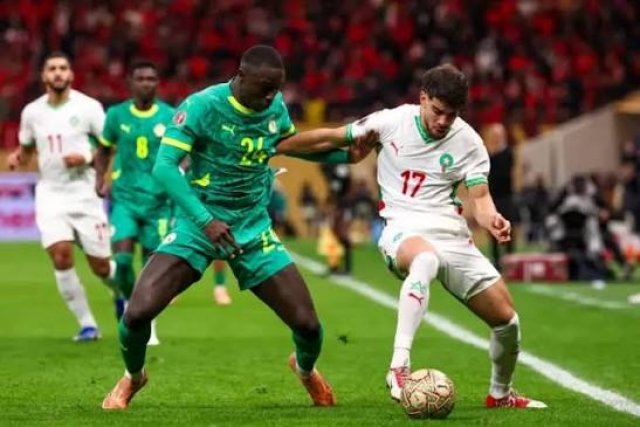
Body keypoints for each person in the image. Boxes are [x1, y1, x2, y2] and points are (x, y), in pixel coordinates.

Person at [101, 45, 377, 410]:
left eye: (276, 89)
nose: (272, 97)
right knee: (136, 314)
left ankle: (305, 369)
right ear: (241, 76)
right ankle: (133, 376)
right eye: (265, 88)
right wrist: (206, 221)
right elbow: (165, 167)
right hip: (197, 225)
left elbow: (284, 146)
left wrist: (344, 155)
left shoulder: (273, 106)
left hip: (252, 229)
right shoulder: (201, 106)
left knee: (308, 327)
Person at [347, 64, 546, 408]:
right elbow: (335, 139)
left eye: (451, 115)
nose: (443, 121)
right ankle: (399, 365)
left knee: (507, 321)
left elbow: (480, 199)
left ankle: (500, 394)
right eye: (438, 111)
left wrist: (492, 219)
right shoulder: (395, 121)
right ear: (424, 99)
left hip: (451, 233)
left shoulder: (469, 141)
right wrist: (281, 144)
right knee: (425, 260)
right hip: (405, 228)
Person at [7, 51, 115, 341]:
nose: (58, 73)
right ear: (44, 76)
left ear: (71, 75)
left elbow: (110, 145)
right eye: (52, 68)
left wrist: (86, 158)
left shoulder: (89, 107)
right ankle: (88, 325)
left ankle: (121, 295)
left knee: (101, 266)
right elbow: (27, 148)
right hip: (51, 194)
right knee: (61, 255)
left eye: (63, 68)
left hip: (85, 194)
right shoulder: (32, 112)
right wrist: (19, 157)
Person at [94, 60, 175, 345]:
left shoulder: (170, 115)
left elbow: (184, 153)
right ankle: (131, 305)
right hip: (125, 199)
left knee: (153, 268)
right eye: (140, 78)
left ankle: (148, 319)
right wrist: (100, 178)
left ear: (157, 83)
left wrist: (180, 176)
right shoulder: (116, 115)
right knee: (123, 261)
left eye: (151, 79)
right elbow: (103, 149)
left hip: (158, 202)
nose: (145, 83)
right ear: (130, 82)